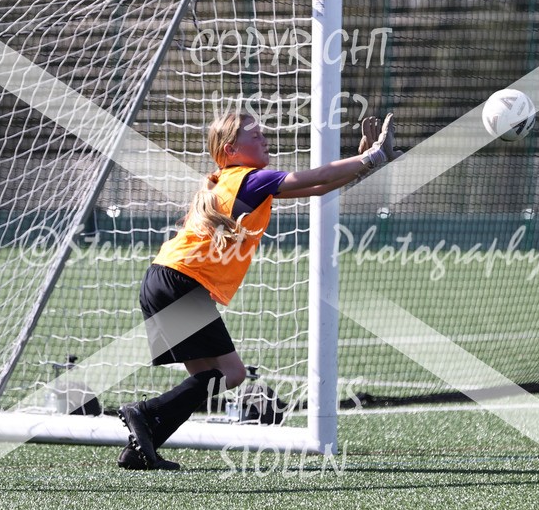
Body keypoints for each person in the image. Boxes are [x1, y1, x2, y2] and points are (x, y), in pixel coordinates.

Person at [117, 111, 401, 470]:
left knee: (205, 379)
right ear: (232, 149)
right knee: (232, 374)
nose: (265, 140)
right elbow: (319, 176)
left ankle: (142, 449)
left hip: (164, 280)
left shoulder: (233, 180)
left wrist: (361, 164)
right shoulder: (248, 180)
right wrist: (371, 157)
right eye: (256, 137)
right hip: (179, 281)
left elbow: (319, 187)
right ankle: (144, 412)